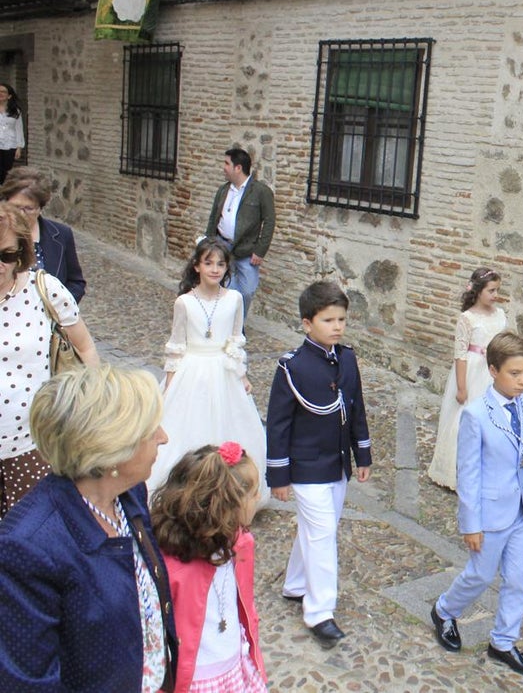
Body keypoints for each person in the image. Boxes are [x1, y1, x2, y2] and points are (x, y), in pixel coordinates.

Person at [0, 365, 178, 691]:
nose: (163, 437)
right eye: (150, 430)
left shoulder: (129, 494)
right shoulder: (26, 546)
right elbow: (29, 681)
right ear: (112, 450)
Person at [431, 331, 523, 677]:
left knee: (516, 579)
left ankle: (503, 642)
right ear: (494, 370)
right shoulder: (475, 415)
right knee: (481, 574)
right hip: (489, 512)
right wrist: (471, 523)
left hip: (522, 510)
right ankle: (443, 610)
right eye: (515, 373)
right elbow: (468, 473)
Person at [266, 281, 372, 649]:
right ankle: (320, 612)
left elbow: (355, 407)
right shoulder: (292, 367)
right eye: (329, 320)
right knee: (323, 532)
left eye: (341, 319)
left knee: (316, 530)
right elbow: (278, 425)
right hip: (306, 467)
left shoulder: (346, 358)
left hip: (337, 464)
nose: (338, 326)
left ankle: (296, 584)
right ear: (307, 323)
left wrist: (363, 455)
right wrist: (278, 476)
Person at [148, 238, 268, 501]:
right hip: (192, 368)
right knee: (187, 425)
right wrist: (169, 383)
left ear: (227, 268)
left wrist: (242, 375)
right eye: (209, 263)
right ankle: (187, 489)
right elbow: (176, 345)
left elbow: (236, 340)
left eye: (221, 264)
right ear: (197, 266)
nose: (215, 269)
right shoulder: (184, 303)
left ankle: (227, 492)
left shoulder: (234, 299)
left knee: (228, 424)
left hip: (223, 371)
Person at [0, 201, 99, 516]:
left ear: (21, 253)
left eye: (6, 255)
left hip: (31, 446)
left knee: (32, 541)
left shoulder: (45, 290)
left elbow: (84, 347)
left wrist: (91, 403)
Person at [152, 443, 268, 692]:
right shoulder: (174, 567)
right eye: (253, 492)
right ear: (226, 505)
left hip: (235, 665)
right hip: (194, 679)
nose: (259, 497)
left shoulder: (241, 544)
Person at [427, 267, 507, 490]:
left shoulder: (500, 315)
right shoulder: (467, 318)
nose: (495, 295)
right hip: (473, 372)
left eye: (497, 290)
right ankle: (455, 473)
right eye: (491, 290)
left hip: (494, 373)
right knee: (465, 420)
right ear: (478, 291)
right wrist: (462, 387)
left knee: (491, 422)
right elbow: (460, 354)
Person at [204, 147, 275, 319]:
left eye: (227, 163)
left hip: (246, 250)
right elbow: (214, 217)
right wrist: (208, 243)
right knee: (227, 289)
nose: (224, 167)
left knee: (247, 291)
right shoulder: (223, 190)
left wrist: (260, 250)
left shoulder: (260, 192)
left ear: (238, 168)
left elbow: (270, 221)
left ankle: (234, 322)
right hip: (222, 247)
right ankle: (233, 328)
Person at [0, 166, 86, 302]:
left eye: (28, 208)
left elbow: (76, 283)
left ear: (40, 208)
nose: (21, 214)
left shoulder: (62, 234)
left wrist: (58, 308)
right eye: (15, 207)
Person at [0, 83, 24, 184]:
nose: (0, 93)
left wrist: (19, 147)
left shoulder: (15, 111)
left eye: (3, 91)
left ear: (9, 96)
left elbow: (19, 129)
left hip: (9, 145)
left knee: (5, 171)